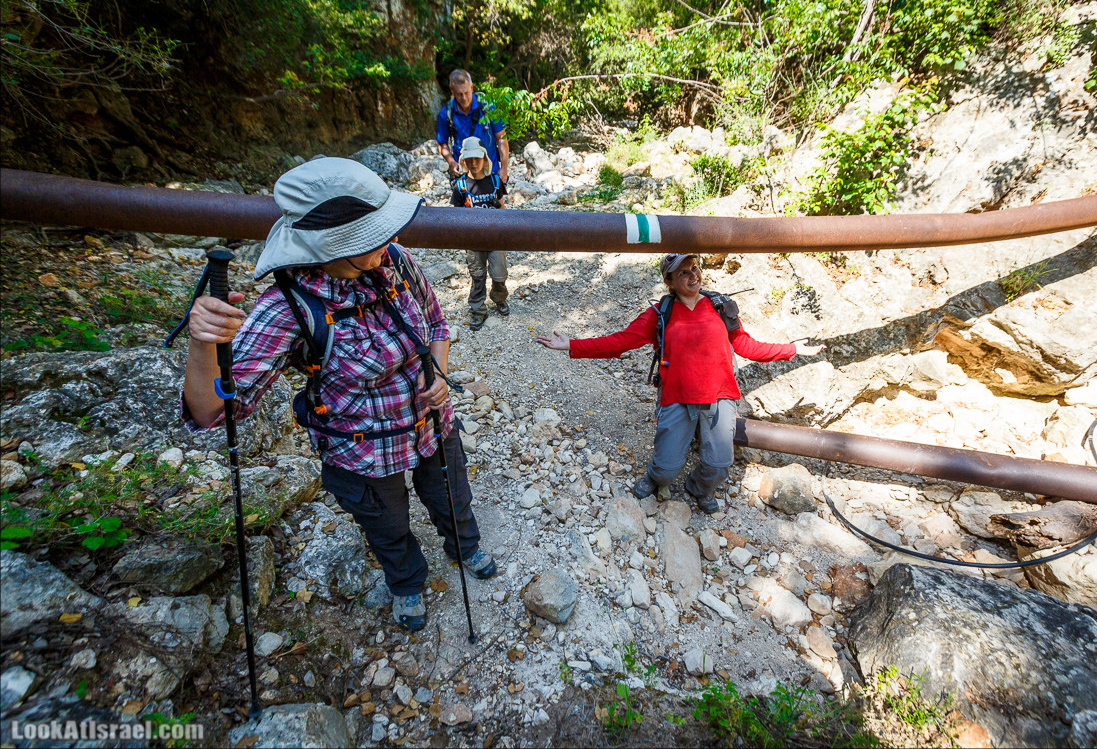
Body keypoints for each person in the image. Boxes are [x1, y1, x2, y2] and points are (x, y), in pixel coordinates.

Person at [181, 157, 496, 633]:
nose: (386, 244)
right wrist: (203, 342)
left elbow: (435, 321)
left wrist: (440, 374)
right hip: (359, 448)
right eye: (368, 240)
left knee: (450, 491)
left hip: (429, 421)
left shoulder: (395, 260)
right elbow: (212, 411)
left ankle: (464, 545)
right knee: (386, 524)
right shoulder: (286, 308)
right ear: (325, 247)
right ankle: (407, 582)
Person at [536, 253, 825, 514]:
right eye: (684, 272)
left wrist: (792, 349)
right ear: (669, 281)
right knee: (665, 470)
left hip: (720, 397)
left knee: (718, 467)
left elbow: (746, 346)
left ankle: (698, 488)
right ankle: (654, 477)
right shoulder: (660, 313)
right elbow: (621, 341)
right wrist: (572, 345)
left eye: (695, 269)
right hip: (676, 397)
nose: (693, 276)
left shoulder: (718, 306)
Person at [450, 136, 510, 331]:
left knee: (499, 274)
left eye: (477, 158)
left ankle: (499, 299)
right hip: (473, 241)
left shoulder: (494, 181)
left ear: (485, 159)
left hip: (496, 239)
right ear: (464, 161)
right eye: (469, 159)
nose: (474, 163)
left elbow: (502, 207)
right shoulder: (460, 186)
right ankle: (478, 310)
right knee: (477, 276)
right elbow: (455, 216)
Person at [436, 69, 510, 184]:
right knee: (463, 202)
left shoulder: (487, 107)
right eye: (459, 94)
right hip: (463, 175)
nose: (464, 98)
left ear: (472, 87)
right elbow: (441, 143)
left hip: (490, 172)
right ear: (452, 90)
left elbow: (501, 137)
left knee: (496, 202)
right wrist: (451, 162)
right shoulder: (446, 113)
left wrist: (504, 169)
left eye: (466, 92)